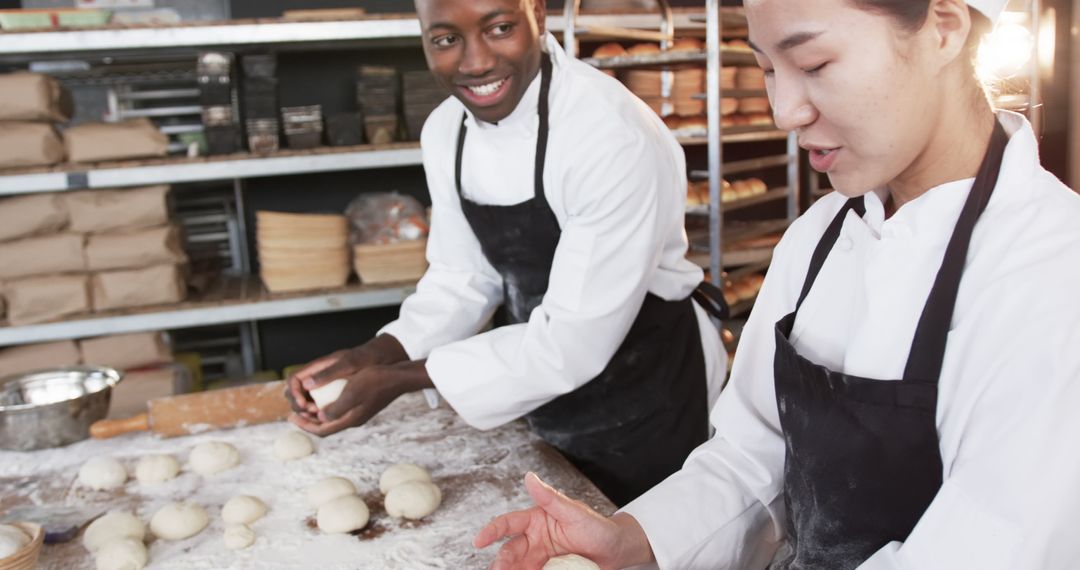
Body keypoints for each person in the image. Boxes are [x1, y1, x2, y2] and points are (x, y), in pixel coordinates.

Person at [474, 0, 1080, 567]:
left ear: (944, 27)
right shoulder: (820, 236)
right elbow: (755, 461)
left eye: (814, 64)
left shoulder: (1049, 269)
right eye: (767, 69)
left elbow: (991, 548)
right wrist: (634, 541)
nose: (785, 110)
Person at [285, 0, 729, 507]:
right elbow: (463, 277)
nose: (474, 63)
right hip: (541, 389)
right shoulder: (447, 131)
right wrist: (376, 353)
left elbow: (572, 340)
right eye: (445, 39)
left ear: (536, 13)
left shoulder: (607, 135)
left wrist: (398, 380)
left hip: (649, 396)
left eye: (499, 28)